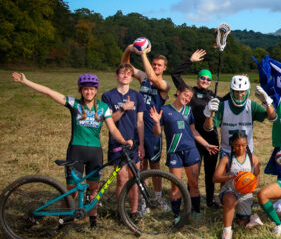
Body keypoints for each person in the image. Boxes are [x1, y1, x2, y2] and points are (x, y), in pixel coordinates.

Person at [11, 72, 132, 227]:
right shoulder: (74, 104)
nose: (89, 92)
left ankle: (93, 220)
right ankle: (63, 221)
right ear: (81, 90)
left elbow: (113, 129)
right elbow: (49, 92)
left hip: (95, 152)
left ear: (96, 90)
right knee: (72, 191)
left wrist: (123, 141)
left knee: (93, 189)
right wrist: (26, 81)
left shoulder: (103, 107)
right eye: (85, 89)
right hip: (76, 151)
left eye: (92, 89)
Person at [149, 85, 218, 220]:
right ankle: (176, 215)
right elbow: (157, 133)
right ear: (178, 92)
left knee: (194, 184)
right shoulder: (164, 110)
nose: (186, 99)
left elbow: (193, 131)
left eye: (189, 97)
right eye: (185, 95)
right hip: (174, 152)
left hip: (191, 151)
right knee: (176, 186)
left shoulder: (188, 111)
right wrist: (156, 122)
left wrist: (206, 144)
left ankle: (196, 212)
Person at [172, 49, 222, 208]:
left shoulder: (213, 96)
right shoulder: (189, 92)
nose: (205, 80)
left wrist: (240, 83)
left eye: (208, 79)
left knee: (210, 171)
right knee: (193, 173)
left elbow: (228, 100)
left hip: (211, 137)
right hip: (192, 137)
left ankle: (210, 200)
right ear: (198, 78)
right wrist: (190, 60)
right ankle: (190, 201)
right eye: (203, 77)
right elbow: (175, 75)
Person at [121, 43, 170, 196]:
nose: (156, 66)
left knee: (155, 166)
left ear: (164, 68)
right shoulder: (143, 77)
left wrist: (143, 54)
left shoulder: (164, 85)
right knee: (141, 166)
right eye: (154, 64)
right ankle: (144, 198)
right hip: (138, 127)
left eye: (159, 65)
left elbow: (152, 77)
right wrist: (128, 50)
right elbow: (125, 66)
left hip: (153, 130)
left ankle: (158, 196)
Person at [101, 63, 147, 215]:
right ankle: (121, 211)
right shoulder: (107, 96)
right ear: (116, 76)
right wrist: (123, 108)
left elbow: (140, 122)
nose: (126, 75)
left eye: (129, 73)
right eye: (122, 73)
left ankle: (133, 212)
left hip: (134, 143)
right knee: (121, 179)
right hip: (117, 143)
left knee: (135, 179)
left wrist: (141, 145)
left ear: (132, 77)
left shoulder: (137, 96)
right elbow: (109, 120)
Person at [203, 75, 276, 156]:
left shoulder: (252, 105)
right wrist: (209, 114)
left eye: (242, 91)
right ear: (231, 91)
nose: (240, 94)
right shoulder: (222, 106)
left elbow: (273, 117)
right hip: (227, 152)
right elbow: (208, 128)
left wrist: (267, 103)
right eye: (237, 91)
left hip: (247, 151)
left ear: (247, 91)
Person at [213, 131, 262, 239]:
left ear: (247, 144)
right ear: (232, 144)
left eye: (243, 145)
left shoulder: (253, 159)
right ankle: (227, 233)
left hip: (245, 193)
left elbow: (257, 175)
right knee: (230, 199)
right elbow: (215, 178)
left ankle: (250, 217)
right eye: (237, 145)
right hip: (230, 189)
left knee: (241, 223)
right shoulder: (227, 158)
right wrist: (231, 176)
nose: (240, 148)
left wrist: (252, 187)